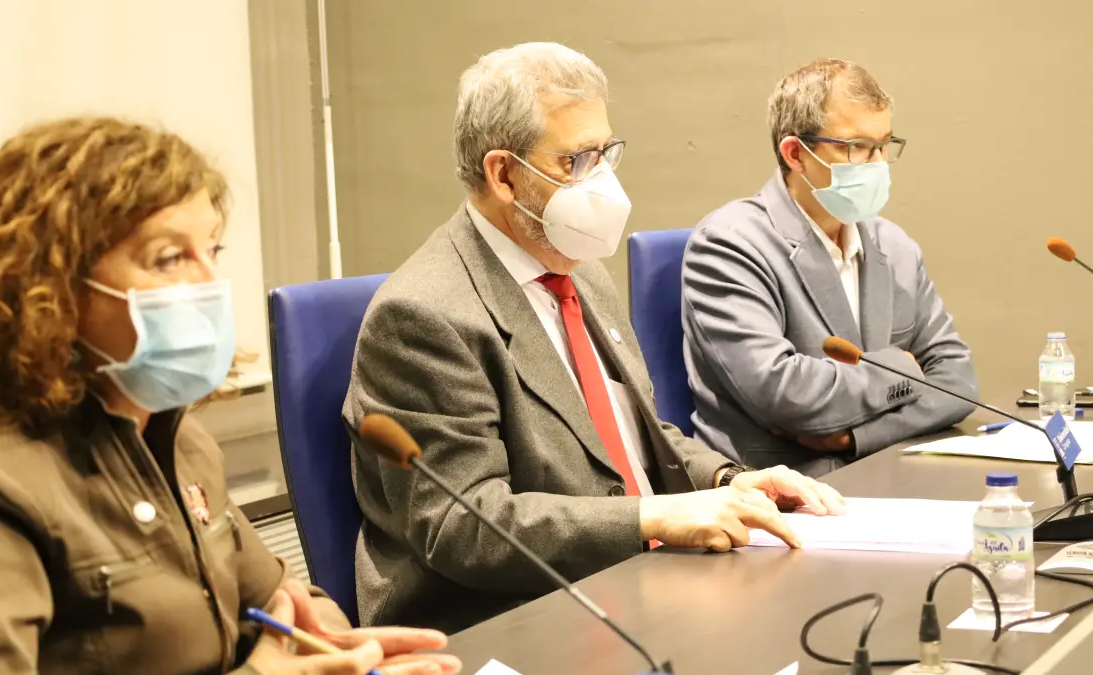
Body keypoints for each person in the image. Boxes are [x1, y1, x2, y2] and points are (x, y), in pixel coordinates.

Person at [0, 117, 460, 675]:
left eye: (212, 250)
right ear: (51, 287)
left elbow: (282, 600)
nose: (209, 283)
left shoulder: (171, 432)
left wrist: (339, 652)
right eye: (169, 258)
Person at [344, 43, 845, 634]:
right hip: (508, 618)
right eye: (578, 160)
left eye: (607, 153)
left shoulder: (578, 270)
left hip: (631, 580)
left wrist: (730, 480)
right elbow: (463, 526)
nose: (604, 179)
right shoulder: (423, 315)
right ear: (503, 174)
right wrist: (651, 517)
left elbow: (632, 437)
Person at [681, 58, 977, 477]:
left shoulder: (895, 246)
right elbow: (786, 394)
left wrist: (857, 437)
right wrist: (906, 369)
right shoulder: (728, 244)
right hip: (776, 491)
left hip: (885, 477)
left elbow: (959, 381)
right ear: (795, 154)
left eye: (884, 145)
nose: (876, 163)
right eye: (856, 147)